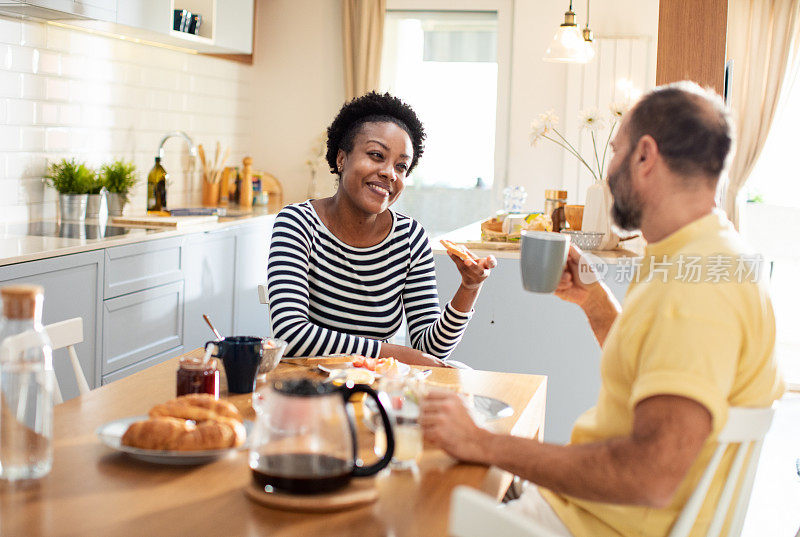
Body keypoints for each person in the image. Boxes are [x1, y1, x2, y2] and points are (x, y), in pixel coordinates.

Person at [420, 82, 784, 537]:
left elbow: (649, 475)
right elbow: (655, 367)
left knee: (415, 508)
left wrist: (484, 443)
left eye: (616, 152)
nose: (609, 170)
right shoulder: (701, 258)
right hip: (591, 512)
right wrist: (594, 303)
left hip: (590, 524)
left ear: (645, 156)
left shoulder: (698, 292)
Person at [267, 92, 496, 366]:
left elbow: (431, 350)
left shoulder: (410, 238)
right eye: (377, 155)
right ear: (341, 159)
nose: (390, 173)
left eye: (402, 166)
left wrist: (469, 287)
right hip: (309, 391)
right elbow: (291, 336)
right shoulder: (297, 223)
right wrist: (394, 353)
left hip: (378, 392)